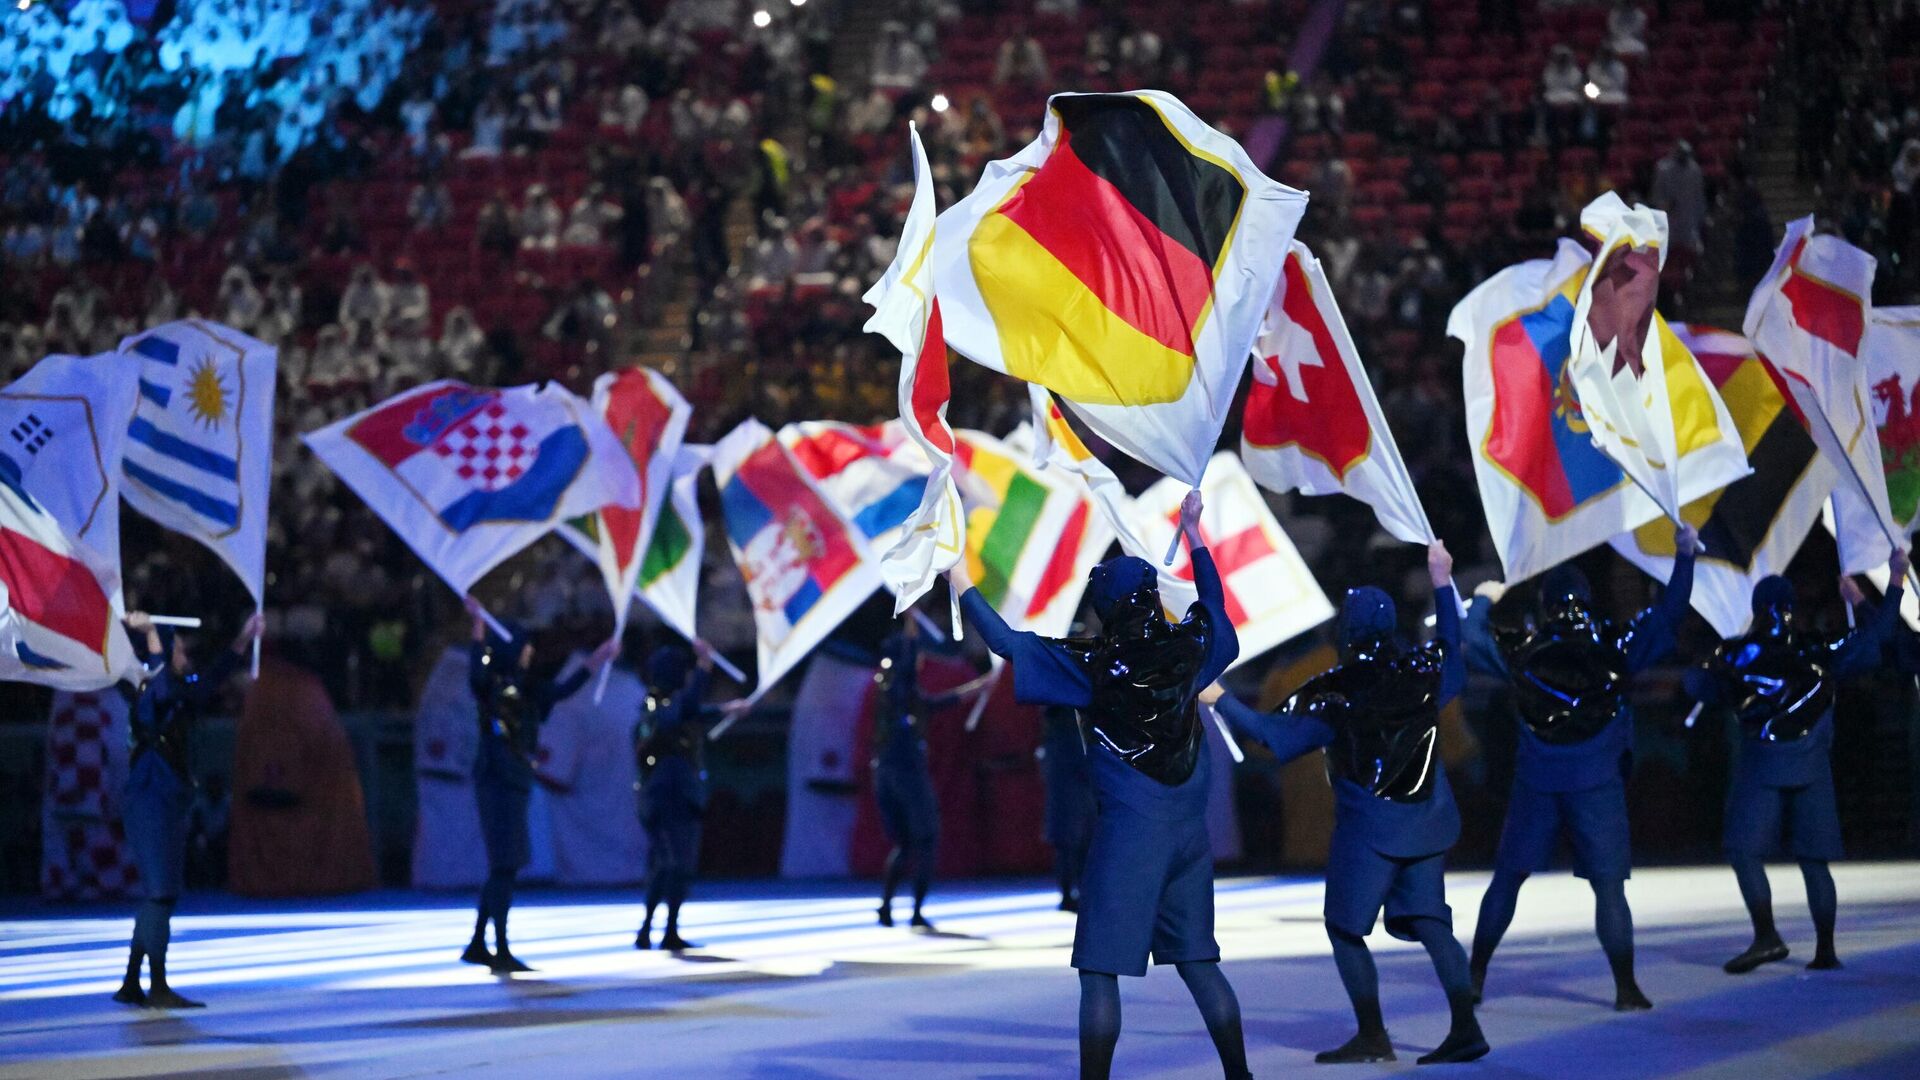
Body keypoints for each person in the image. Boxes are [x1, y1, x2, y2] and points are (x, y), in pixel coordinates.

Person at [953, 491, 1251, 1080]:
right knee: (1198, 962)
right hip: (1189, 832)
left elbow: (1008, 643)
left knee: (1099, 971)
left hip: (1132, 831)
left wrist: (959, 577)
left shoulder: (1096, 661)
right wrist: (1194, 535)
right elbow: (1215, 610)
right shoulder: (1190, 646)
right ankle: (1239, 1076)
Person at [1204, 542, 1489, 1065]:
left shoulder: (1336, 689)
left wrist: (1221, 699)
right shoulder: (1426, 671)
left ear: (1347, 631)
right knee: (1432, 925)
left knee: (1344, 928)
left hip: (1371, 829)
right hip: (1428, 821)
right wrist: (1442, 581)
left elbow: (1275, 736)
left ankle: (1373, 1034)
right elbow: (1453, 648)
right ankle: (1466, 1028)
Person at [1464, 524, 1698, 1011]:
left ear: (1545, 605)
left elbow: (1468, 637)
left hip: (1537, 783)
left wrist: (1483, 598)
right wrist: (1684, 560)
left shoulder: (1521, 650)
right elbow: (1670, 616)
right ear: (1587, 601)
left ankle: (1476, 975)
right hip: (1597, 783)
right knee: (1609, 888)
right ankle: (1626, 987)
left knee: (1507, 880)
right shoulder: (1615, 644)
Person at [1683, 552, 1909, 974]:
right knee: (1814, 859)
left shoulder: (1737, 653)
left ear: (1756, 609)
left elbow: (1695, 684)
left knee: (1743, 851)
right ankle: (1826, 949)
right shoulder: (1818, 650)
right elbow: (1876, 635)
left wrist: (1722, 662)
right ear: (1791, 610)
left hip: (1761, 766)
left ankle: (1766, 935)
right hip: (1811, 767)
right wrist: (1894, 580)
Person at [114, 611, 264, 1008]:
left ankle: (133, 980)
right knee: (160, 893)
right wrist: (151, 636)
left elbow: (208, 680)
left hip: (168, 798)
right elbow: (159, 680)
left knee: (160, 894)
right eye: (178, 649)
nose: (185, 656)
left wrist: (241, 641)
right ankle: (157, 984)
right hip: (150, 797)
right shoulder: (149, 689)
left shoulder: (179, 691)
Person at [461, 597, 616, 973]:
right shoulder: (491, 687)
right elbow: (477, 672)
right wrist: (479, 629)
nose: (530, 650)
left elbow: (561, 691)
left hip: (512, 780)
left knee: (505, 865)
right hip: (498, 779)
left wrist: (595, 661)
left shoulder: (527, 688)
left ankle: (481, 942)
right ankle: (497, 946)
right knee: (504, 865)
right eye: (524, 644)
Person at [870, 617, 987, 931]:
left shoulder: (888, 688)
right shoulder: (900, 686)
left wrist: (977, 688)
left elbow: (932, 704)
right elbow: (928, 696)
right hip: (907, 771)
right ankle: (916, 912)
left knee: (906, 843)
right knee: (925, 838)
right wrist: (911, 623)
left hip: (885, 771)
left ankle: (885, 907)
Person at [635, 640, 733, 951]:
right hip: (668, 796)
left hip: (674, 795)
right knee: (669, 864)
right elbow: (685, 710)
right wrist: (705, 670)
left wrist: (724, 709)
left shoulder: (663, 706)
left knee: (676, 865)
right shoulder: (659, 706)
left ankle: (666, 928)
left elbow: (692, 712)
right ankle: (650, 927)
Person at [1041, 703, 1096, 912]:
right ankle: (1068, 891)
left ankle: (1079, 890)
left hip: (1078, 764)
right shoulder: (1060, 720)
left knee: (1082, 835)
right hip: (1068, 765)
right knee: (1069, 836)